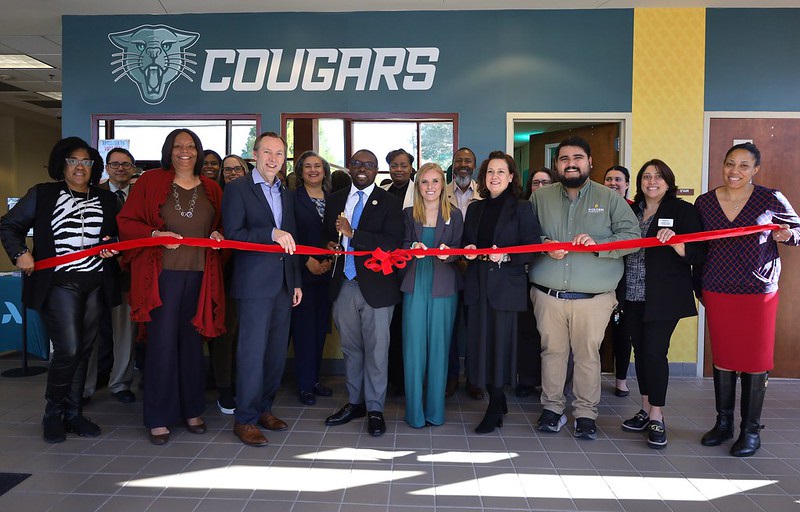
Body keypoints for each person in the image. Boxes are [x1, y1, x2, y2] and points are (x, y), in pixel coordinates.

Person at [1, 137, 121, 443]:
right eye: (73, 161)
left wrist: (111, 247)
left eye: (86, 161)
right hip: (58, 283)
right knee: (67, 348)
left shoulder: (107, 199)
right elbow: (8, 226)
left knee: (83, 351)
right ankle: (52, 413)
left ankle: (73, 413)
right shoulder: (43, 194)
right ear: (62, 165)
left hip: (95, 283)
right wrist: (19, 253)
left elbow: (115, 237)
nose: (79, 167)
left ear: (94, 166)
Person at [117, 128, 225, 445]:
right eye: (178, 146)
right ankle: (159, 417)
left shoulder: (212, 188)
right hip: (161, 277)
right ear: (169, 150)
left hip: (200, 276)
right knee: (162, 345)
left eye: (191, 146)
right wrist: (154, 236)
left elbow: (219, 227)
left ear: (199, 151)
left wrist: (218, 236)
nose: (185, 151)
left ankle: (192, 410)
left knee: (192, 345)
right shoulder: (150, 181)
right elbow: (127, 222)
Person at [530, 136, 639, 440]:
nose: (571, 163)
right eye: (564, 159)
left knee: (587, 356)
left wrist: (599, 246)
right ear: (557, 165)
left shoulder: (609, 198)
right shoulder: (540, 198)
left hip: (594, 299)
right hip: (547, 295)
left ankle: (585, 414)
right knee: (552, 353)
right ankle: (552, 409)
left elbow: (631, 236)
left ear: (590, 163)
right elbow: (525, 234)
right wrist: (544, 245)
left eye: (577, 157)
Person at [696, 142, 800, 457]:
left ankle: (750, 431)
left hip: (758, 292)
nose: (735, 171)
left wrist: (787, 236)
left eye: (744, 165)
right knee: (724, 358)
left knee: (756, 362)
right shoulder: (705, 202)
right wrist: (697, 286)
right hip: (718, 289)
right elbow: (697, 248)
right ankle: (723, 424)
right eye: (730, 163)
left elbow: (797, 230)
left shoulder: (770, 198)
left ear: (755, 170)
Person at [619, 160, 706, 449]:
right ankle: (645, 408)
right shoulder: (630, 210)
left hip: (664, 297)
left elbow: (698, 252)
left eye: (658, 177)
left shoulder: (683, 210)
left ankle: (657, 414)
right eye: (646, 176)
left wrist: (677, 243)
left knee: (655, 353)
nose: (651, 181)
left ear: (668, 182)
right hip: (631, 293)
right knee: (641, 352)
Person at [223, 132, 302, 447]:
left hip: (284, 284)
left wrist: (295, 281)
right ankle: (244, 419)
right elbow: (233, 234)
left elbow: (292, 237)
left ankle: (264, 409)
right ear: (254, 154)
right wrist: (269, 232)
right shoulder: (238, 189)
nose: (273, 158)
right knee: (251, 354)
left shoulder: (286, 191)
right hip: (254, 284)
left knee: (275, 354)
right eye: (267, 152)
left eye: (280, 153)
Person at [323, 149, 403, 437]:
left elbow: (393, 243)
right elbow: (327, 236)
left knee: (377, 351)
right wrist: (331, 245)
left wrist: (353, 234)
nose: (362, 169)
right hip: (343, 284)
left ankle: (376, 409)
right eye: (357, 164)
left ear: (376, 170)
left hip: (378, 289)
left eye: (369, 165)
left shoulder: (391, 203)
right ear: (349, 166)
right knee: (351, 349)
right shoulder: (334, 199)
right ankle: (355, 403)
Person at [462, 151, 541, 434]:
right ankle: (495, 396)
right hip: (477, 283)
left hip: (506, 286)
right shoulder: (474, 208)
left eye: (500, 172)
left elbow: (533, 248)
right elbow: (466, 243)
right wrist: (468, 251)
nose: (494, 177)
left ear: (510, 177)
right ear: (483, 178)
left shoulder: (521, 208)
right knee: (480, 344)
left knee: (501, 345)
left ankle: (496, 402)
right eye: (490, 172)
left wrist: (506, 256)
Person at [401, 162, 463, 428]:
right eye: (424, 182)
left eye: (435, 181)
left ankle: (435, 411)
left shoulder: (456, 214)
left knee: (439, 349)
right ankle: (414, 412)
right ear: (418, 186)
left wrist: (449, 253)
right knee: (413, 349)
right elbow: (400, 245)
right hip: (415, 282)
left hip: (443, 285)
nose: (430, 187)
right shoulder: (407, 214)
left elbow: (460, 248)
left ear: (443, 184)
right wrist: (411, 246)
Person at [84, 147, 138, 404]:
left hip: (129, 273)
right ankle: (84, 386)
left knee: (124, 331)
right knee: (90, 331)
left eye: (126, 164)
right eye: (115, 164)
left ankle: (120, 383)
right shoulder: (92, 194)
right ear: (106, 168)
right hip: (95, 272)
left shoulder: (140, 195)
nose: (120, 169)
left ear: (133, 168)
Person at [291, 150, 334, 405]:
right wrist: (306, 260)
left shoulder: (333, 199)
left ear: (325, 170)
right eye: (307, 166)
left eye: (318, 166)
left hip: (326, 274)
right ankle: (304, 384)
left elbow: (333, 234)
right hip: (302, 273)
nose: (313, 170)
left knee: (320, 329)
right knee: (304, 330)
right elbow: (289, 233)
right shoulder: (291, 198)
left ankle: (315, 380)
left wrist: (327, 260)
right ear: (300, 172)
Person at [209, 153, 250, 415]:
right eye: (227, 170)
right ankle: (225, 388)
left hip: (251, 272)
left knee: (246, 335)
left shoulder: (255, 197)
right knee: (225, 331)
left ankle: (242, 383)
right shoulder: (215, 198)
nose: (232, 173)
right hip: (222, 272)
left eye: (238, 169)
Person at [444, 147, 485, 400]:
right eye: (458, 160)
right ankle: (449, 378)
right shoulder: (440, 192)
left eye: (467, 160)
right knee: (448, 326)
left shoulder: (486, 194)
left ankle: (474, 378)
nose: (462, 164)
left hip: (477, 270)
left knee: (475, 327)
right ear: (453, 164)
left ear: (474, 165)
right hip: (448, 269)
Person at [516, 166, 556, 397]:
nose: (540, 187)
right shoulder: (523, 208)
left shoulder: (558, 210)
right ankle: (528, 379)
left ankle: (554, 384)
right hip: (525, 278)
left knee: (553, 338)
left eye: (545, 182)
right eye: (536, 183)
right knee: (528, 331)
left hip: (552, 279)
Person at [381, 148, 416, 398]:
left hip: (411, 269)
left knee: (407, 326)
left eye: (403, 165)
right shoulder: (382, 192)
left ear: (411, 167)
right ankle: (392, 378)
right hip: (385, 270)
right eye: (394, 165)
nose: (399, 169)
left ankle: (406, 381)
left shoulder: (420, 191)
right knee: (390, 328)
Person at [604, 165, 634, 397]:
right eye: (608, 179)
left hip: (628, 278)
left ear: (627, 184)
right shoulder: (597, 208)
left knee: (622, 331)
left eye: (618, 179)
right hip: (601, 274)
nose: (613, 183)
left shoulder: (636, 209)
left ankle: (621, 379)